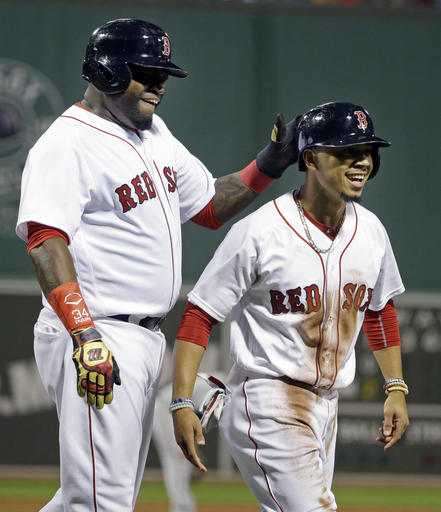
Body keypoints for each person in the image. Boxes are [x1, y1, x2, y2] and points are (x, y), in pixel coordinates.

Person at [15, 18, 299, 512]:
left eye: (163, 74)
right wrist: (85, 337)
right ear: (106, 71)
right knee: (99, 502)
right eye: (147, 72)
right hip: (98, 333)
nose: (159, 85)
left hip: (144, 338)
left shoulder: (155, 136)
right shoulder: (67, 142)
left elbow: (208, 205)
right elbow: (45, 240)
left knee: (95, 496)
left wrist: (269, 163)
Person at [171, 101, 410, 512]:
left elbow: (379, 309)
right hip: (266, 400)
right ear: (310, 158)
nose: (362, 162)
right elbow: (200, 313)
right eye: (346, 152)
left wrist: (396, 388)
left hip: (326, 405)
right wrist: (180, 401)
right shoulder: (260, 231)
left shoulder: (371, 231)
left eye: (367, 152)